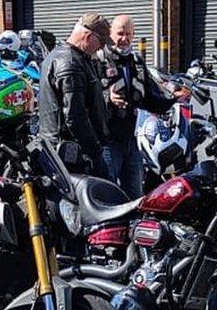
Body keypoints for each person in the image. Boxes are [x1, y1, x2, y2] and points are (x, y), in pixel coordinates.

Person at [95, 14, 174, 197]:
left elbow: (150, 97)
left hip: (133, 139)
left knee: (136, 193)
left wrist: (173, 100)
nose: (124, 39)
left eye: (129, 34)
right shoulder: (97, 59)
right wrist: (107, 97)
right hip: (107, 140)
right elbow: (86, 96)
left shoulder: (136, 61)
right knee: (109, 193)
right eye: (120, 33)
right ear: (110, 34)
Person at [38, 12, 112, 176]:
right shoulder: (70, 63)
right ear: (88, 36)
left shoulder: (60, 56)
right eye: (100, 42)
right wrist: (94, 149)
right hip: (72, 154)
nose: (100, 48)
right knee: (95, 197)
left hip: (62, 149)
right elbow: (74, 116)